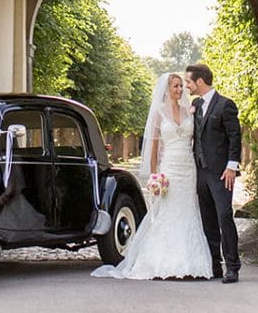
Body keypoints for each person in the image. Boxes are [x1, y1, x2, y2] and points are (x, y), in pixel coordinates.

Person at [91, 73, 213, 280]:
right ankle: (162, 261)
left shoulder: (188, 111)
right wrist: (155, 176)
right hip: (170, 168)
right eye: (175, 86)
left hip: (188, 168)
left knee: (188, 210)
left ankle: (191, 261)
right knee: (168, 211)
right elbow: (155, 148)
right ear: (166, 89)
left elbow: (196, 141)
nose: (179, 89)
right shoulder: (158, 113)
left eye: (181, 86)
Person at [185, 62, 242, 283]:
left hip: (221, 172)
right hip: (200, 171)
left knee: (225, 216)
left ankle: (232, 266)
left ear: (200, 81)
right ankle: (214, 265)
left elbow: (235, 137)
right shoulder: (195, 104)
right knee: (207, 218)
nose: (187, 85)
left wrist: (231, 166)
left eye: (189, 81)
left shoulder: (225, 105)